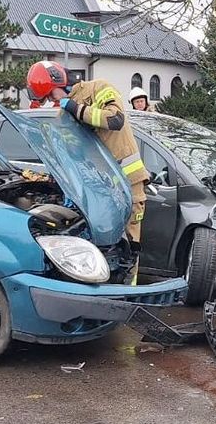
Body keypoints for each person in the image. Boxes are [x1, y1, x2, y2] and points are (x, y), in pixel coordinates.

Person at [26, 61, 151, 282]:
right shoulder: (62, 116)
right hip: (98, 190)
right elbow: (71, 154)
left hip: (129, 184)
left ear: (58, 84)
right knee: (102, 250)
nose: (52, 102)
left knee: (129, 249)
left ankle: (127, 299)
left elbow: (115, 120)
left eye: (50, 96)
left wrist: (76, 109)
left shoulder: (99, 88)